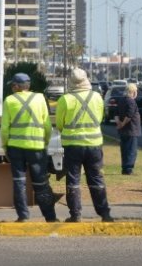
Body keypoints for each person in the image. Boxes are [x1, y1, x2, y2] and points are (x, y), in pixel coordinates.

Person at [55, 68, 113, 223]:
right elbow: (100, 118)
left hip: (72, 145)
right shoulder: (97, 97)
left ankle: (76, 214)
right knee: (96, 179)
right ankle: (105, 213)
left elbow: (60, 124)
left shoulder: (65, 99)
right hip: (94, 145)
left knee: (73, 180)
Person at [0, 72, 58, 222]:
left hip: (16, 147)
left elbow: (5, 128)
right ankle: (50, 217)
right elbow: (47, 125)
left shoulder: (9, 101)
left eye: (13, 85)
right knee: (41, 184)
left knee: (19, 182)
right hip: (37, 148)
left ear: (17, 86)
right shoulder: (40, 99)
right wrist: (45, 142)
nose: (12, 88)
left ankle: (23, 216)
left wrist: (5, 146)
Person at [115, 83, 141, 175]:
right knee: (131, 150)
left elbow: (116, 114)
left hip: (123, 131)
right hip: (131, 130)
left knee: (124, 150)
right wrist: (122, 124)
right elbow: (129, 115)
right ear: (133, 92)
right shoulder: (131, 101)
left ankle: (124, 168)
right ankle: (128, 169)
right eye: (136, 91)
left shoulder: (121, 100)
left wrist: (119, 124)